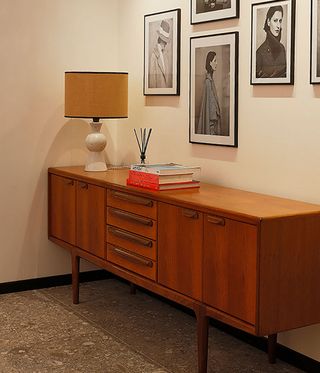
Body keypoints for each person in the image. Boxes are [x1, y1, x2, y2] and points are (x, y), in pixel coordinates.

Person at [256, 6, 286, 78]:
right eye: (275, 21)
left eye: (280, 21)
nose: (278, 25)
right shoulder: (260, 53)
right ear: (268, 22)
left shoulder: (282, 48)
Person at [196, 51, 221, 135]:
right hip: (211, 122)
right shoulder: (208, 81)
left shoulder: (210, 80)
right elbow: (210, 106)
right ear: (210, 63)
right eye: (215, 61)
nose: (217, 63)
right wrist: (216, 114)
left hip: (213, 120)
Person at [149, 20, 172, 88]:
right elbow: (152, 80)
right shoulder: (154, 56)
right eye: (165, 41)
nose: (166, 43)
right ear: (161, 40)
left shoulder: (165, 55)